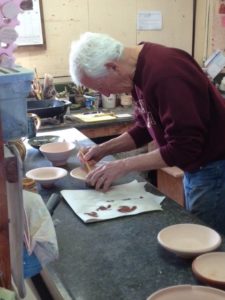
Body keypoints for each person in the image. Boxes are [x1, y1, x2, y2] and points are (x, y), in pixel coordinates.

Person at [69, 32, 225, 234]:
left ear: (112, 66)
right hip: (200, 167)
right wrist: (102, 149)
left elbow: (184, 148)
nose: (106, 94)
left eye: (101, 86)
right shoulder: (136, 72)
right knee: (198, 232)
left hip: (216, 168)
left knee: (206, 243)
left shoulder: (167, 73)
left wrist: (122, 165)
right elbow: (145, 128)